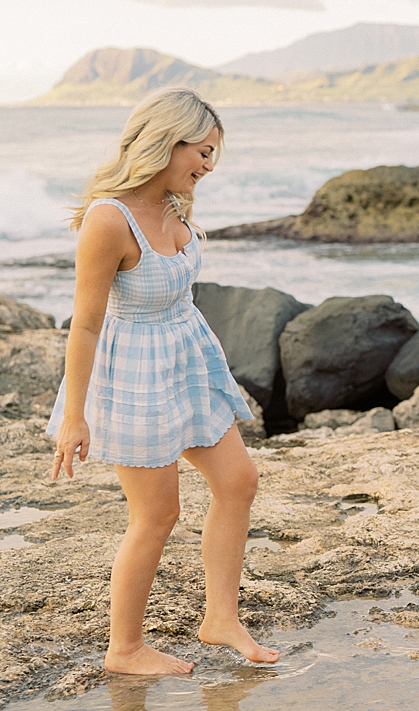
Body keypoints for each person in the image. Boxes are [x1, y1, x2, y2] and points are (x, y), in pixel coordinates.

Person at [49, 86, 279, 673]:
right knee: (156, 516)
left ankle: (219, 618)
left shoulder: (174, 208)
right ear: (165, 141)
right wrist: (75, 415)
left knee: (239, 481)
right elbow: (85, 327)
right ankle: (124, 649)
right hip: (134, 377)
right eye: (201, 152)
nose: (208, 166)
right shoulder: (109, 219)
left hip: (187, 364)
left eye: (212, 155)